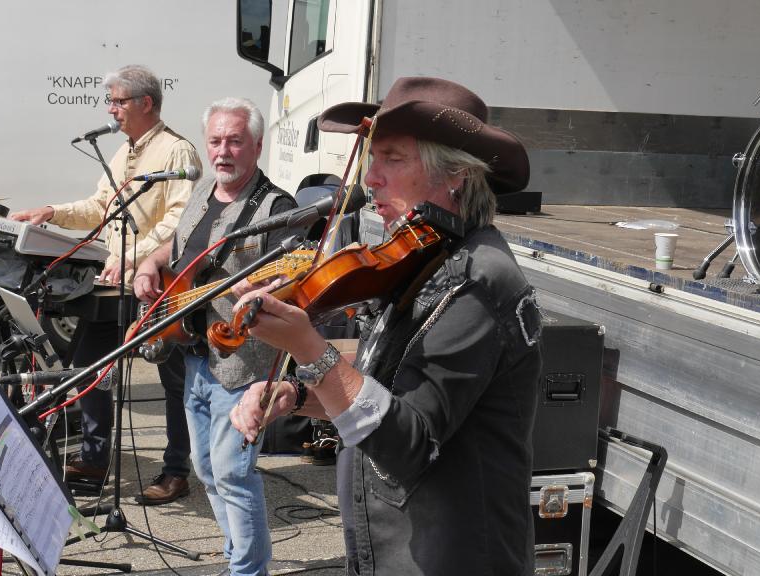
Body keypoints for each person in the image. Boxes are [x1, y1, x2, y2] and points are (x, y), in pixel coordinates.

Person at [229, 77, 543, 575]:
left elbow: (408, 443)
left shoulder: (477, 282)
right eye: (371, 159)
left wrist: (310, 348)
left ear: (456, 173)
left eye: (392, 160)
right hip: (391, 551)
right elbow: (384, 388)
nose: (369, 179)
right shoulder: (423, 260)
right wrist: (298, 393)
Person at [10, 64, 200, 505]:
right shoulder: (123, 152)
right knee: (86, 364)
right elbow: (100, 206)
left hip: (159, 285)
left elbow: (181, 223)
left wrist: (132, 257)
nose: (110, 110)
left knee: (173, 378)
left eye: (117, 101)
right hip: (115, 283)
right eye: (110, 101)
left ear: (145, 103)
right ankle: (95, 458)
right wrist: (51, 212)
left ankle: (176, 471)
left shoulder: (178, 153)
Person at [134, 97, 298, 576]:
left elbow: (294, 279)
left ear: (257, 146)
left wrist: (262, 289)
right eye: (215, 141)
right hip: (197, 357)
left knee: (233, 472)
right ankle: (236, 556)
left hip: (245, 365)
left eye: (234, 141)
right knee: (206, 469)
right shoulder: (205, 192)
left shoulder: (276, 208)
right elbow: (182, 244)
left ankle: (248, 571)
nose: (223, 151)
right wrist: (151, 262)